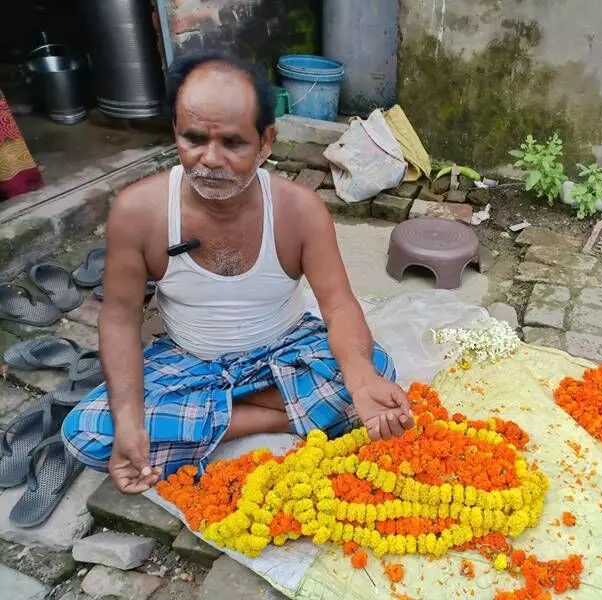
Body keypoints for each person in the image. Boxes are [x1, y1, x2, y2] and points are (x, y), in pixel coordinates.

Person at [61, 52, 413, 495]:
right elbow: (118, 318)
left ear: (266, 141)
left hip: (284, 351)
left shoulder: (299, 210)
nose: (210, 160)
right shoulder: (139, 211)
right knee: (90, 431)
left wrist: (360, 379)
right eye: (193, 139)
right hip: (190, 364)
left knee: (379, 368)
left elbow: (339, 305)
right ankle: (288, 416)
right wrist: (130, 423)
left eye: (233, 143)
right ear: (175, 132)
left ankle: (210, 421)